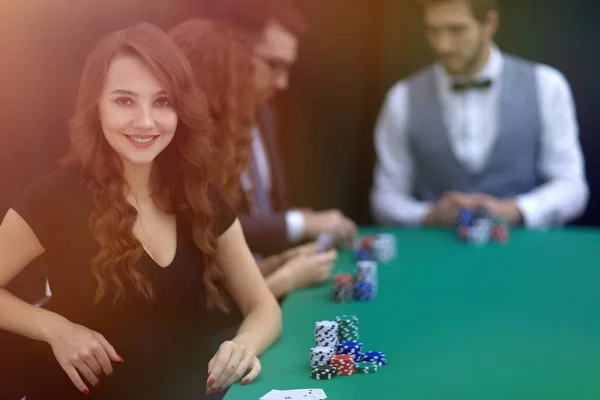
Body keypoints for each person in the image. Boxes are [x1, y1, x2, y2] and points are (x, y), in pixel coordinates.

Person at [0, 22, 281, 400]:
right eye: (124, 100)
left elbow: (263, 307)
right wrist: (56, 328)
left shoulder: (198, 195)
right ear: (95, 106)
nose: (145, 121)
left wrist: (243, 344)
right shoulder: (51, 199)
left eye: (162, 101)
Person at [370, 0, 589, 228]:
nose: (443, 45)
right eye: (433, 31)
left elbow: (572, 187)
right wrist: (429, 215)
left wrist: (516, 210)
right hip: (435, 254)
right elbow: (385, 199)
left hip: (525, 253)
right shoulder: (401, 97)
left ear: (490, 23)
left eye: (457, 30)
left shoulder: (547, 85)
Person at [168, 19, 337, 300]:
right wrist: (286, 278)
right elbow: (196, 317)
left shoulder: (252, 123)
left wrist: (282, 263)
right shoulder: (180, 154)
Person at [205, 0, 358, 255]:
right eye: (275, 65)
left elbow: (272, 209)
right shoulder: (200, 124)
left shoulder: (266, 114)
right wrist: (300, 223)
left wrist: (302, 219)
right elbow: (209, 223)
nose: (283, 83)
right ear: (237, 52)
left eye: (287, 69)